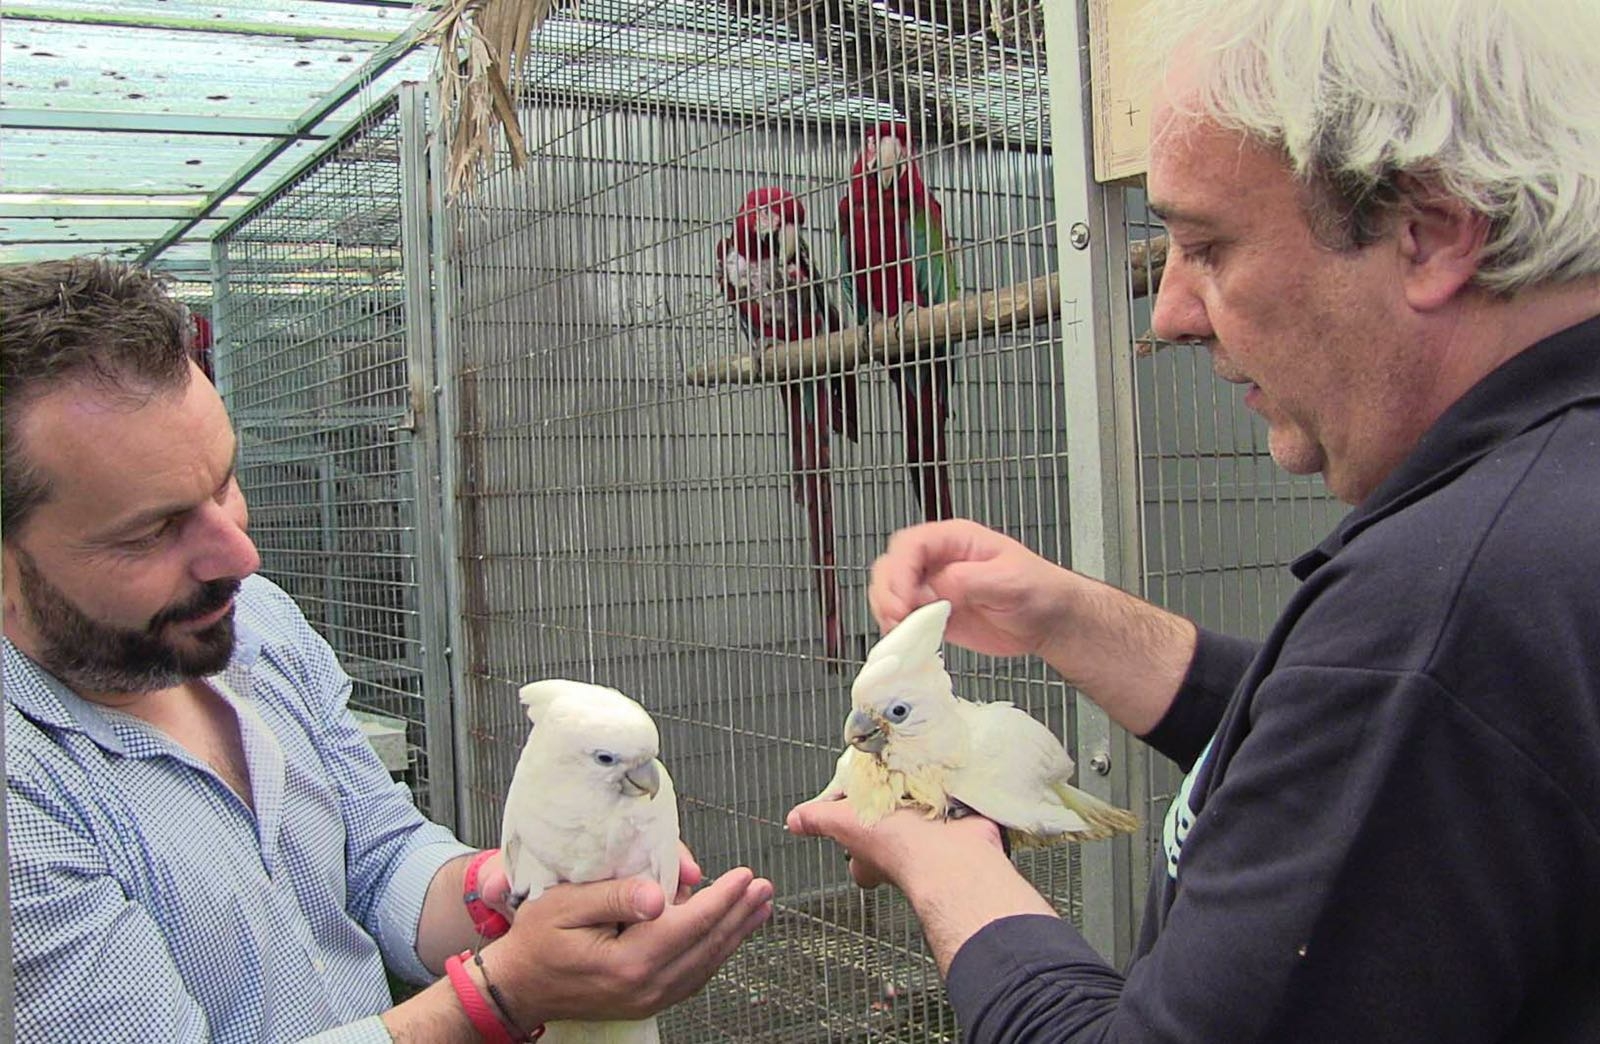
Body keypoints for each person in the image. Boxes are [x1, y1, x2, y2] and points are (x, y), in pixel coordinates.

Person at [788, 1, 1600, 1040]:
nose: (1167, 313)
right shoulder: (1543, 515)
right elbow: (1383, 760)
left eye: (1207, 244)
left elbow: (1396, 704)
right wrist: (1068, 618)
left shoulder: (1447, 605)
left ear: (1428, 234)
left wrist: (945, 859)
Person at [2, 258, 774, 1043]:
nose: (240, 555)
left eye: (225, 483)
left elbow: (376, 852)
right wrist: (497, 998)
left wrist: (513, 893)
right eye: (153, 531)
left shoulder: (257, 625)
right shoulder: (21, 792)